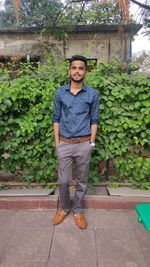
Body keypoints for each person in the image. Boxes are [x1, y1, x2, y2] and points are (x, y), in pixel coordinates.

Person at [52, 55, 99, 229]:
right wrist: (57, 143)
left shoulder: (92, 94)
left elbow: (94, 120)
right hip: (64, 143)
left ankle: (78, 211)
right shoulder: (60, 93)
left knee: (82, 181)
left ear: (85, 71)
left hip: (84, 143)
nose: (77, 71)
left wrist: (91, 144)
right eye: (74, 68)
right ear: (69, 70)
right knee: (63, 181)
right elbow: (56, 118)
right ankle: (64, 208)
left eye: (81, 68)